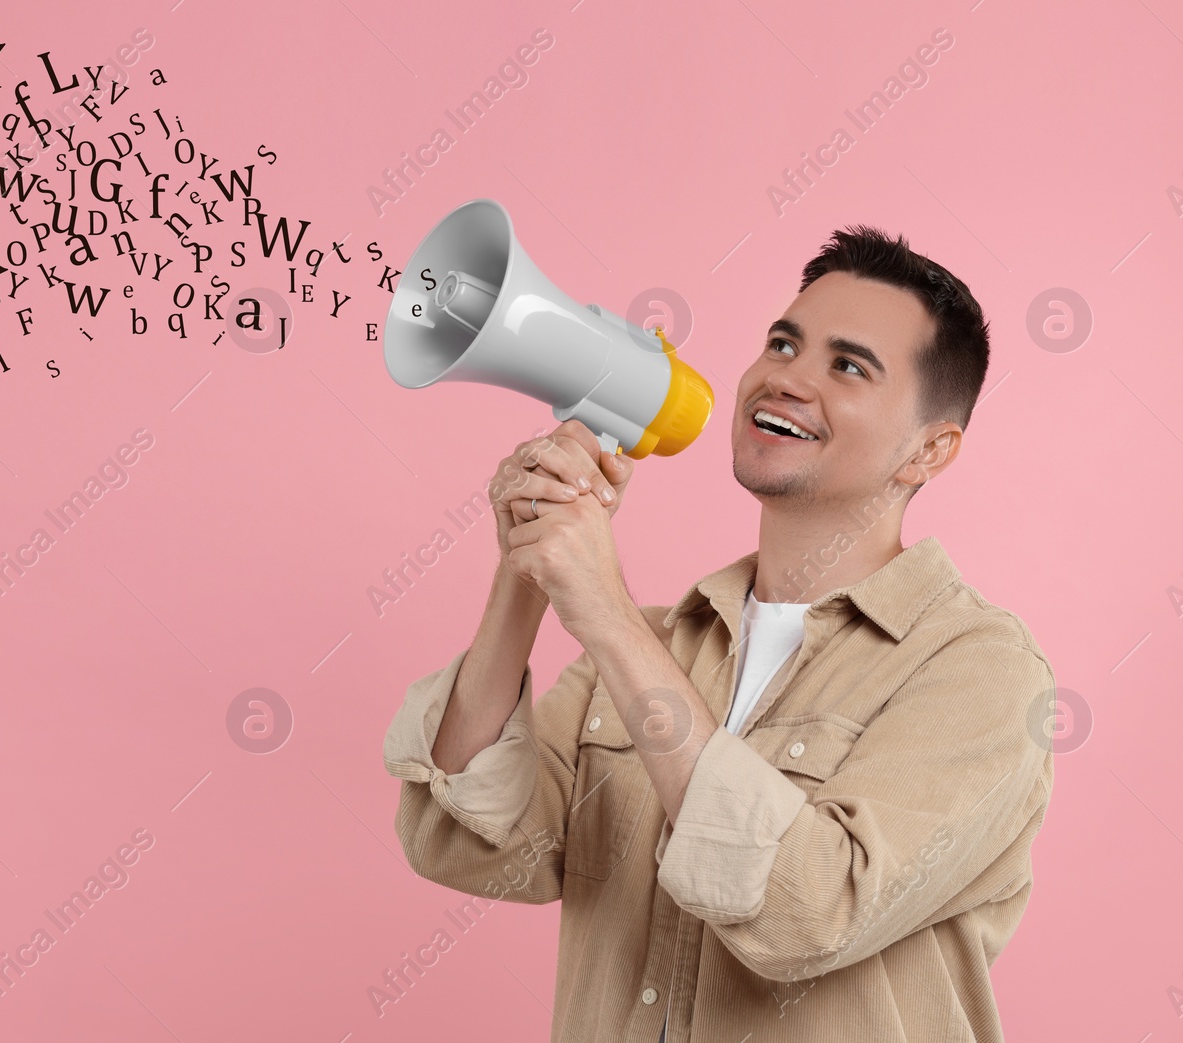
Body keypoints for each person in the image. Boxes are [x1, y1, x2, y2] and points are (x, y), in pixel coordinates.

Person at [382, 225, 1057, 1042]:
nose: (787, 378)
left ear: (930, 449)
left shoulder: (981, 673)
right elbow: (468, 842)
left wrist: (601, 607)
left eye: (847, 365)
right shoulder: (659, 643)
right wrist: (527, 568)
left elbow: (805, 911)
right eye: (782, 342)